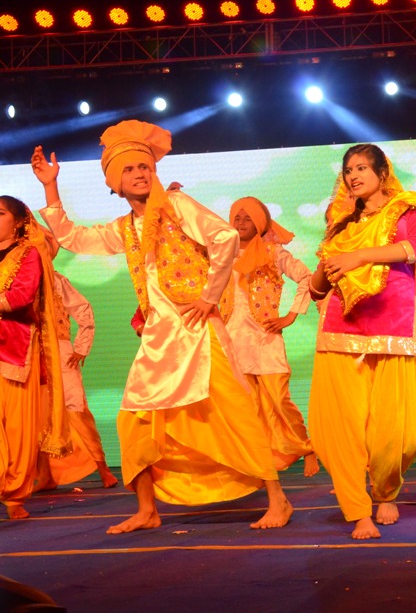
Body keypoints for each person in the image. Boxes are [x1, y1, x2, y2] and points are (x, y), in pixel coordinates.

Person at [31, 121, 293, 533]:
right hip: (158, 337)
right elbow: (72, 237)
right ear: (115, 183)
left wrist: (208, 296)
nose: (140, 173)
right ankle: (147, 509)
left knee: (232, 411)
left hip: (198, 331)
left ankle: (278, 499)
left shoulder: (177, 205)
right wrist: (51, 186)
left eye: (144, 166)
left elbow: (224, 237)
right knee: (133, 419)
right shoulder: (125, 228)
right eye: (129, 169)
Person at [307, 143, 416, 540]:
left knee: (393, 433)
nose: (353, 175)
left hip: (393, 330)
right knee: (343, 428)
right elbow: (318, 289)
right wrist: (327, 266)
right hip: (341, 330)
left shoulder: (408, 208)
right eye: (348, 170)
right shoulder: (342, 224)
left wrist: (359, 256)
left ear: (382, 173)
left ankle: (386, 490)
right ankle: (358, 510)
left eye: (362, 168)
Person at [222, 197, 318, 477]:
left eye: (248, 218)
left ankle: (307, 448)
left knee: (279, 399)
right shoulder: (222, 252)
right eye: (237, 217)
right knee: (248, 405)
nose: (241, 223)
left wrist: (291, 316)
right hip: (233, 339)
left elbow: (306, 277)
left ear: (260, 223)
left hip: (265, 337)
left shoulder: (273, 252)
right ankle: (260, 457)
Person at [0, 196, 71, 519]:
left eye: (0, 213)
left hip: (14, 349)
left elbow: (21, 296)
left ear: (18, 222)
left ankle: (14, 494)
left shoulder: (29, 254)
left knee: (17, 428)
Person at [34, 231, 119, 490]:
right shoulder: (12, 281)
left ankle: (103, 469)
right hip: (28, 353)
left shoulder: (57, 280)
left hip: (60, 353)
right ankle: (45, 475)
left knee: (75, 407)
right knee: (36, 414)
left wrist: (81, 347)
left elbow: (83, 309)